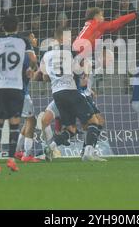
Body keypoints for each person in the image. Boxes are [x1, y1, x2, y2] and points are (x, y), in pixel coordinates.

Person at [0, 15, 37, 174]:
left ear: (2, 27)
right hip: (16, 87)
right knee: (14, 123)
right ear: (17, 27)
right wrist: (30, 69)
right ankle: (11, 160)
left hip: (0, 86)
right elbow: (33, 58)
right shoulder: (23, 41)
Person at [40, 28, 105, 161]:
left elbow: (45, 77)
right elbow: (79, 72)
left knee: (71, 129)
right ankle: (88, 153)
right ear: (62, 38)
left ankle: (51, 147)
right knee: (94, 122)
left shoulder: (46, 55)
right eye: (68, 38)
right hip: (71, 91)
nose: (71, 40)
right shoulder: (70, 52)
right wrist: (83, 73)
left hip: (57, 94)